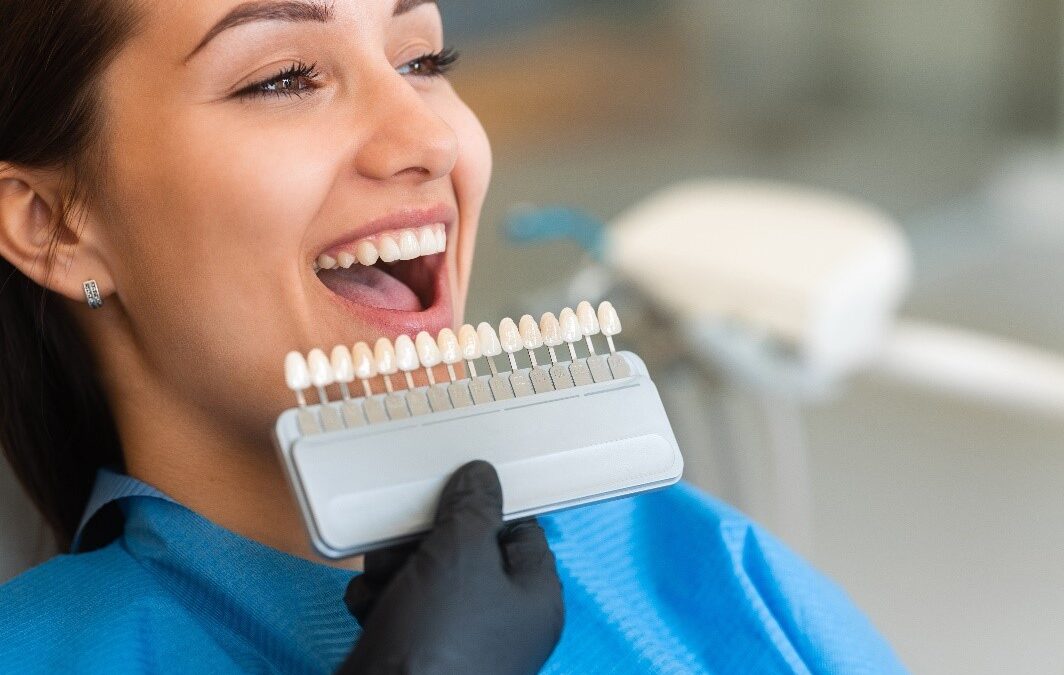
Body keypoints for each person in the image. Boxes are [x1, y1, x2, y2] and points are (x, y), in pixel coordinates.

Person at [0, 0, 907, 672]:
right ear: (49, 221)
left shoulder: (695, 561)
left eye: (425, 59)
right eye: (281, 78)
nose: (425, 137)